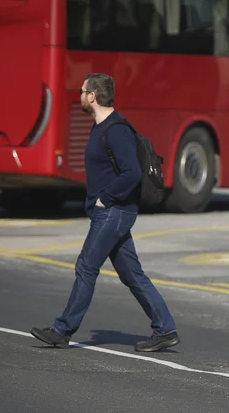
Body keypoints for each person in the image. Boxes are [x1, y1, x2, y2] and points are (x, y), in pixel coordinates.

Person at [30, 73, 180, 352]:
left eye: (82, 91)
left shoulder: (116, 130)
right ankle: (165, 329)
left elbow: (132, 173)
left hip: (114, 211)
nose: (80, 95)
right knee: (132, 274)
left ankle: (62, 330)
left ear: (93, 96)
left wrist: (105, 199)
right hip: (112, 212)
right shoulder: (100, 128)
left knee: (86, 267)